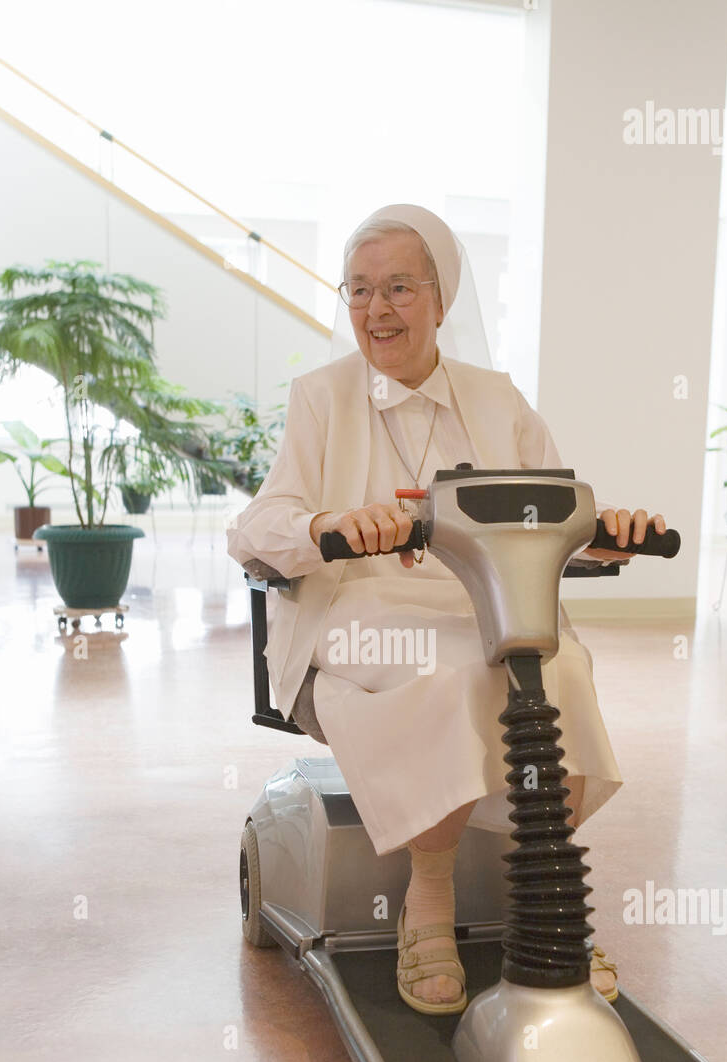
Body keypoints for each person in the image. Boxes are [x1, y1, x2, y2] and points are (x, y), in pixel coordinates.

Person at [227, 203, 666, 1017]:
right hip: (358, 609)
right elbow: (256, 525)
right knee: (459, 665)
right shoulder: (321, 398)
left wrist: (610, 536)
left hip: (484, 602)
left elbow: (557, 509)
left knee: (557, 661)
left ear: (440, 298)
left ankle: (550, 896)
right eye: (359, 291)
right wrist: (329, 525)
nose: (376, 309)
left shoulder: (497, 401)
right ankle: (427, 897)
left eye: (397, 287)